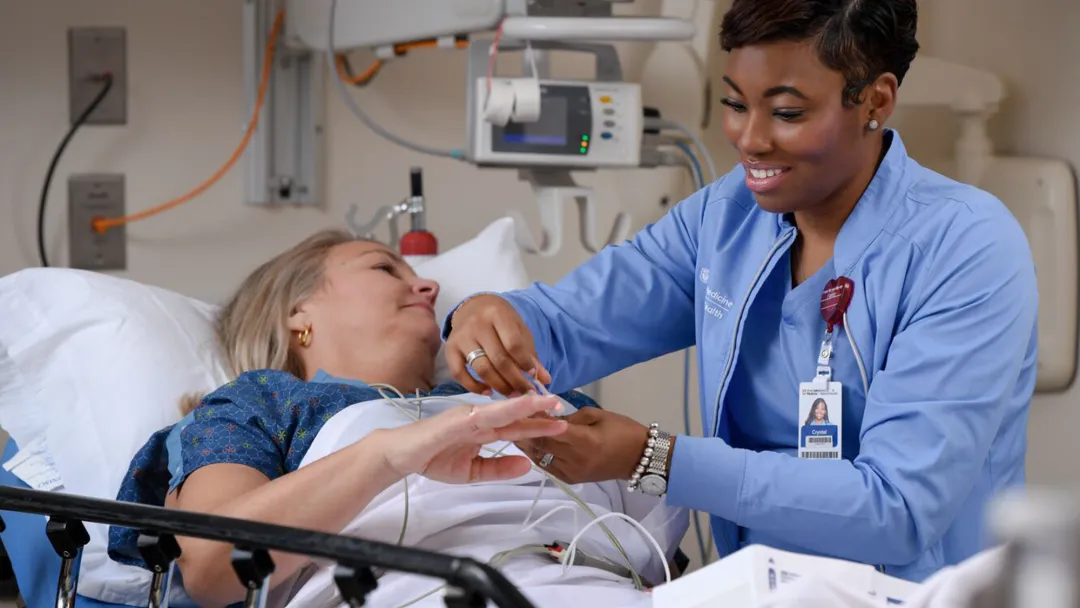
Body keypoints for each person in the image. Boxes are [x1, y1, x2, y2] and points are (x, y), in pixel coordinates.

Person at [443, 0, 1038, 584]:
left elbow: (898, 510)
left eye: (786, 112)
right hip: (750, 587)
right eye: (735, 103)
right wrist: (485, 316)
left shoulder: (963, 246)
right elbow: (565, 326)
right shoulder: (727, 217)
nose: (749, 140)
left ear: (874, 100)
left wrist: (656, 460)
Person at [106, 231, 680, 608]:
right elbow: (213, 567)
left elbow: (662, 545)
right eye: (385, 268)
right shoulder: (263, 403)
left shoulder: (532, 398)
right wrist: (387, 456)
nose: (427, 285)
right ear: (298, 314)